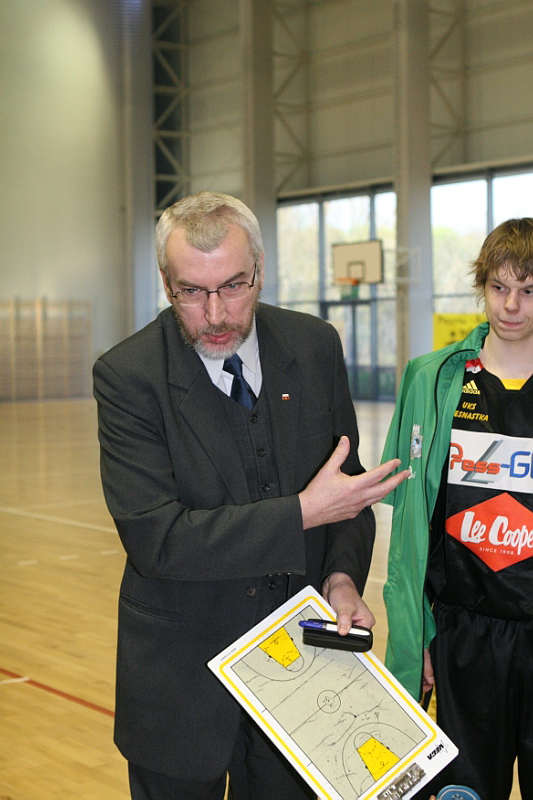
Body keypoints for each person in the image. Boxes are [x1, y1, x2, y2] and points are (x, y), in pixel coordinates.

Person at [93, 191, 408, 800]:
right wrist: (303, 513)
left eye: (234, 286)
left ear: (260, 271)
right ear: (166, 282)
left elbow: (346, 491)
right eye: (191, 291)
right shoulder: (127, 375)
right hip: (180, 684)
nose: (215, 313)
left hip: (302, 679)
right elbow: (159, 540)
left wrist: (342, 578)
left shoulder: (315, 346)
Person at [381, 217, 533, 800]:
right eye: (499, 287)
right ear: (482, 286)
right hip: (463, 635)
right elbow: (409, 525)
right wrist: (417, 633)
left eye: (528, 290)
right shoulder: (433, 378)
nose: (511, 305)